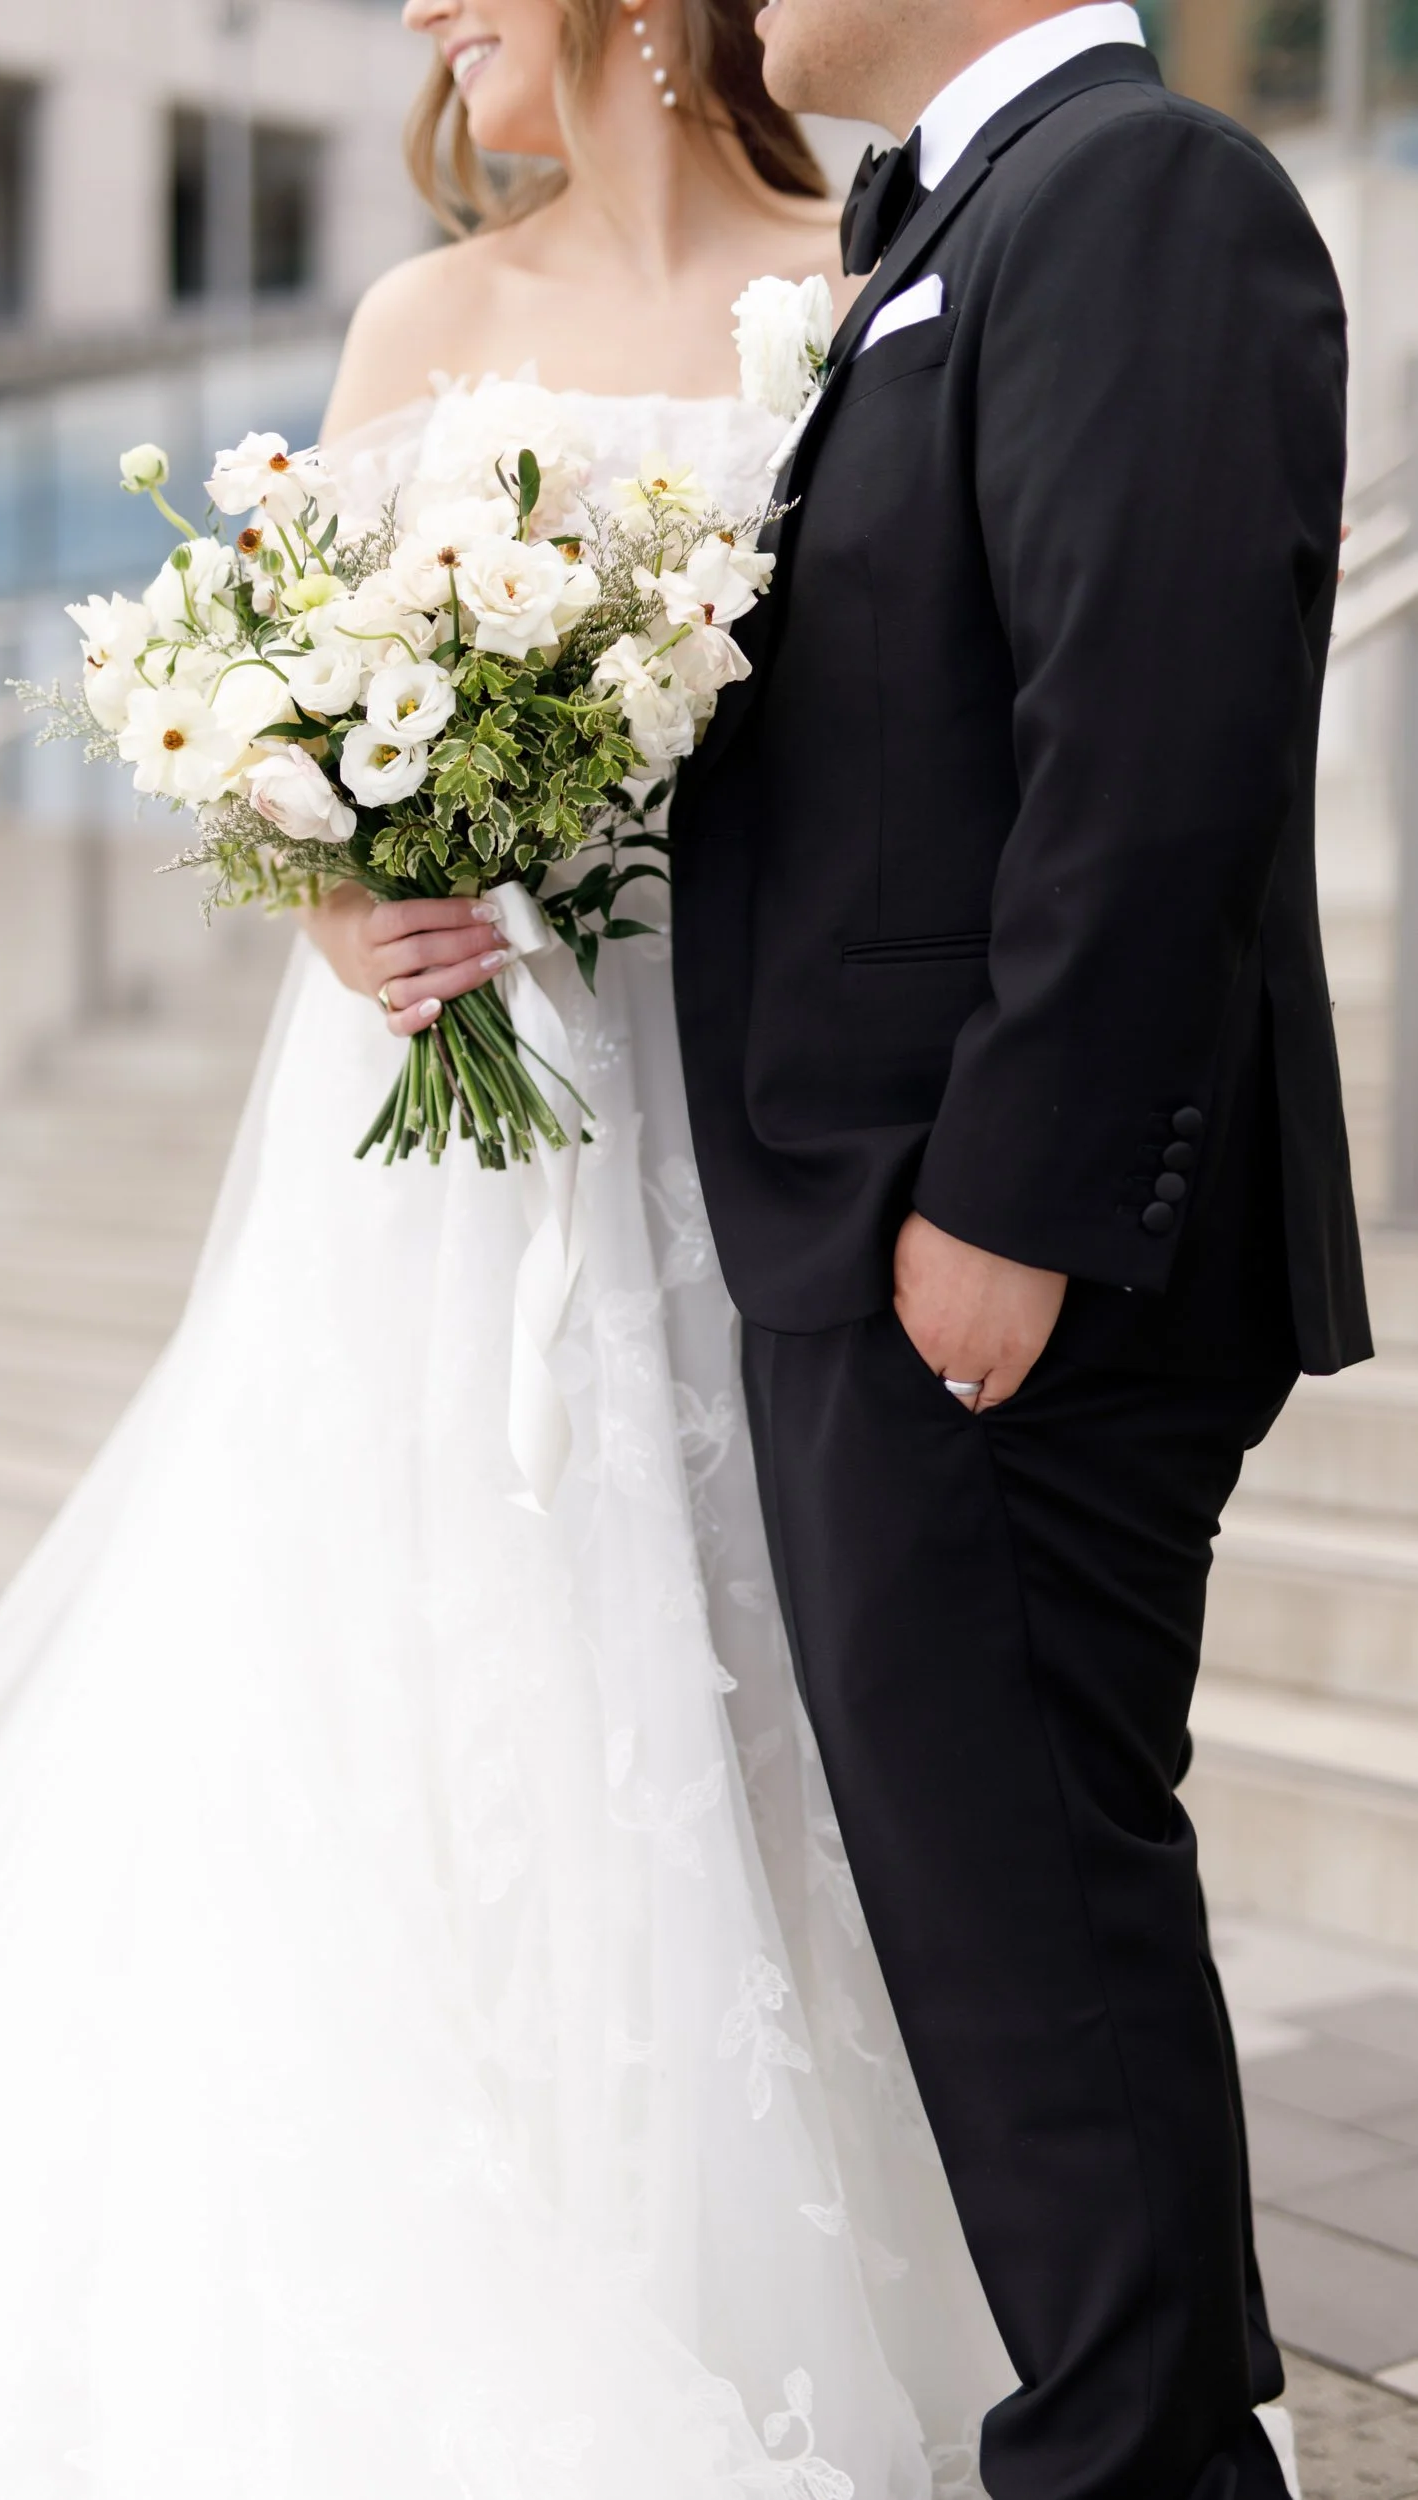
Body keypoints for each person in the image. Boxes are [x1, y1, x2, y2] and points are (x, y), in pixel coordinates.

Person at [0, 0, 1016, 2490]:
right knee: (420, 1674)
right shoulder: (416, 321)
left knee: (754, 1701)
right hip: (432, 1146)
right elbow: (298, 728)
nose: (424, 21)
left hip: (740, 1100)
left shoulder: (855, 289)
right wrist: (340, 889)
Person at [670, 2, 1367, 2495]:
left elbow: (1154, 731)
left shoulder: (1137, 192)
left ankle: (1141, 2457)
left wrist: (1008, 1200)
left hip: (989, 1241)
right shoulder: (941, 222)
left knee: (1032, 1931)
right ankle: (1164, 2432)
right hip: (884, 1217)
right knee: (1009, 1929)